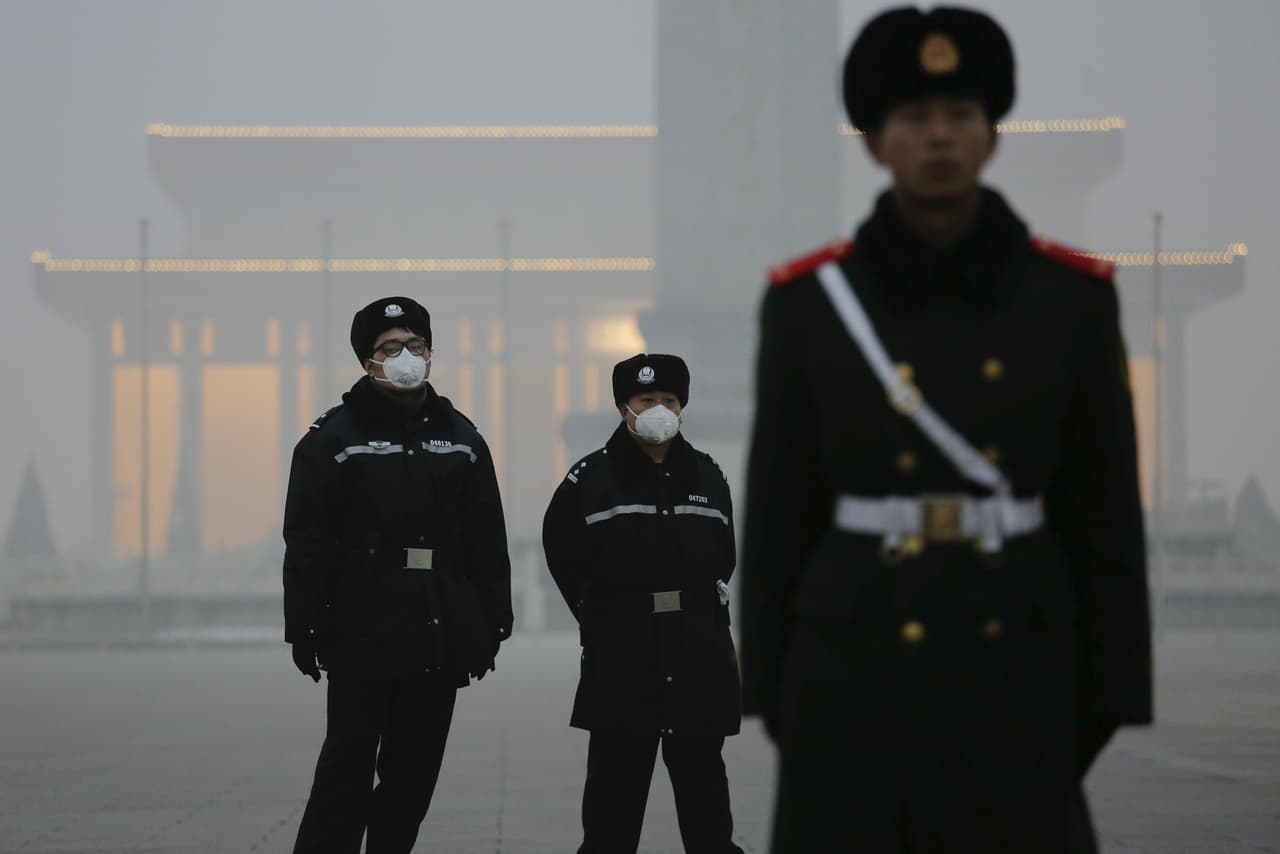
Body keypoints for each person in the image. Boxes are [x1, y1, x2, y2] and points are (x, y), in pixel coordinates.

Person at [739, 7, 1152, 853]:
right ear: (875, 142)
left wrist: (1107, 692)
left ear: (992, 136)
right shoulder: (810, 305)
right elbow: (781, 508)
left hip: (1015, 660)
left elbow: (1103, 511)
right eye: (914, 118)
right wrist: (775, 687)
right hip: (853, 663)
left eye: (960, 116)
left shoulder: (1069, 300)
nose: (938, 138)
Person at [283, 296, 512, 854]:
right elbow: (307, 543)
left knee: (412, 780)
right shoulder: (331, 440)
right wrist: (304, 627)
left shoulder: (462, 438)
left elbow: (487, 539)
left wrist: (493, 621)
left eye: (415, 346)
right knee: (345, 774)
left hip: (436, 629)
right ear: (368, 361)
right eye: (390, 348)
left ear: (431, 355)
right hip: (361, 629)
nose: (405, 356)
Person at [542, 354, 744, 854]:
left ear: (683, 406)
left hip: (696, 652)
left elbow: (725, 554)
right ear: (623, 407)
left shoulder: (706, 474)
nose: (659, 410)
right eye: (647, 400)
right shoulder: (588, 478)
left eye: (669, 401)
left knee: (706, 802)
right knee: (613, 800)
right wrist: (598, 616)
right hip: (623, 657)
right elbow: (562, 552)